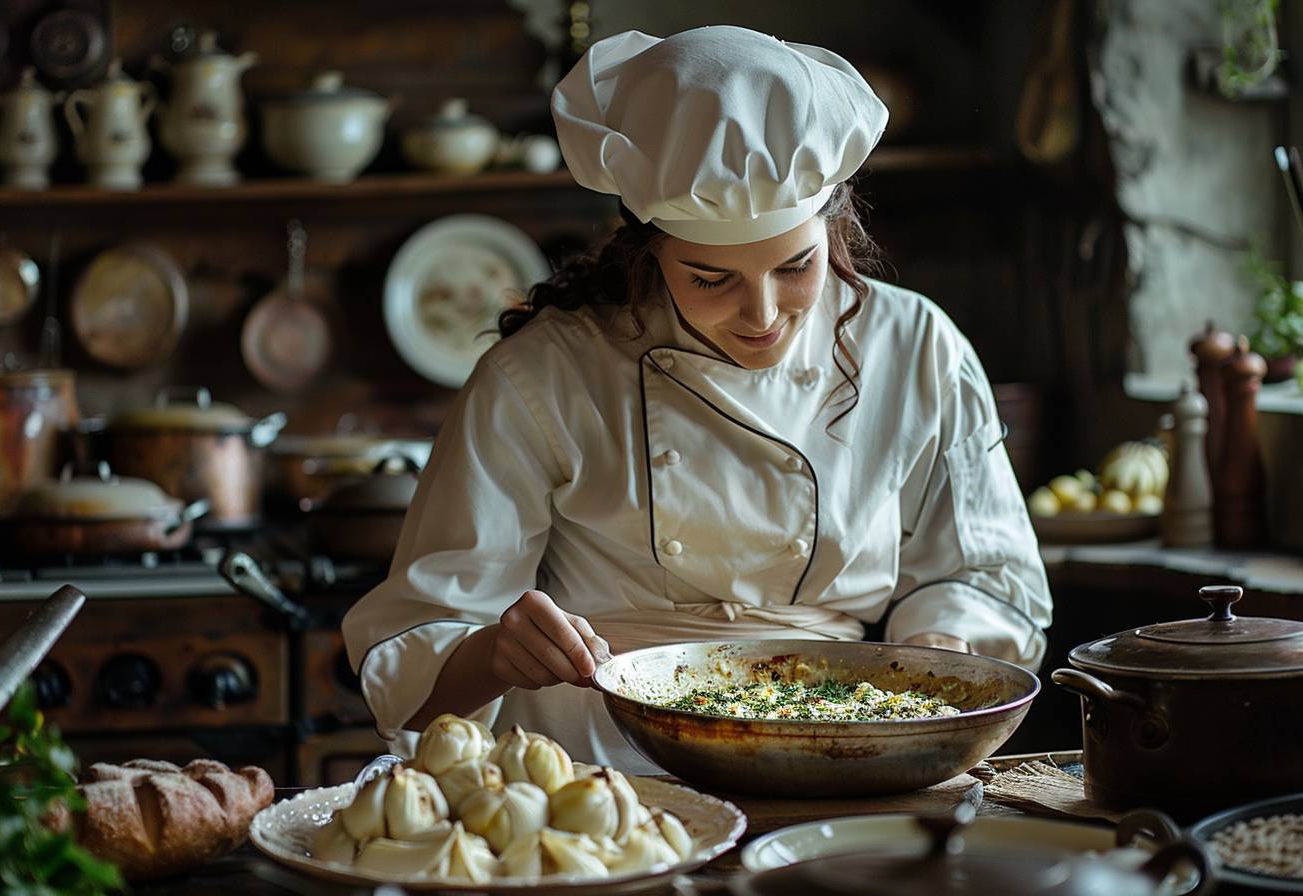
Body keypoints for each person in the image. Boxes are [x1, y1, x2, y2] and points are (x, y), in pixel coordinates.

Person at [344, 25, 1052, 773]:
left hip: (839, 747)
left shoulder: (916, 349)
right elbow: (422, 674)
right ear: (650, 250)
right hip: (597, 770)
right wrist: (495, 652)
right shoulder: (546, 375)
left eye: (796, 266)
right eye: (712, 279)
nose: (764, 314)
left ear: (836, 225)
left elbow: (982, 571)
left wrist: (942, 640)